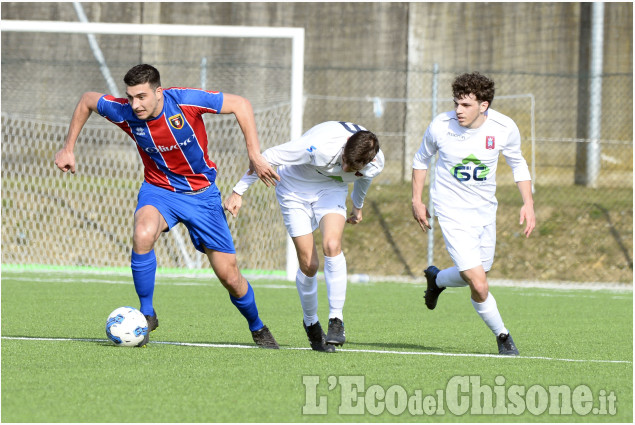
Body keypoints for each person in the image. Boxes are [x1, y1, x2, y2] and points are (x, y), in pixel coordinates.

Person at [54, 64, 281, 348]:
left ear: (158, 92)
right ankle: (147, 314)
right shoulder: (125, 111)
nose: (135, 105)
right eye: (130, 97)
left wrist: (254, 154)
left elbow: (241, 104)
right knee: (142, 234)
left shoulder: (185, 101)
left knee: (230, 276)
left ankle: (257, 327)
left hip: (202, 196)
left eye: (141, 97)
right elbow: (88, 99)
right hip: (159, 190)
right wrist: (68, 148)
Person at [224, 121, 384, 352]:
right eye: (345, 162)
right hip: (294, 189)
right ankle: (311, 323)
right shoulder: (316, 146)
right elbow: (267, 157)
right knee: (310, 265)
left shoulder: (374, 163)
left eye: (354, 167)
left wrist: (357, 207)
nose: (347, 169)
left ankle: (336, 321)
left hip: (330, 189)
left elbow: (364, 180)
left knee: (332, 244)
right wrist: (238, 191)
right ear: (345, 145)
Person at [411, 72, 535, 356]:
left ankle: (438, 279)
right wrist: (416, 200)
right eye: (456, 103)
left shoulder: (504, 127)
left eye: (466, 105)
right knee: (479, 283)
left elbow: (518, 164)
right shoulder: (441, 126)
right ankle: (503, 337)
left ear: (484, 105)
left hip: (484, 212)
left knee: (481, 272)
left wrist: (528, 203)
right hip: (451, 211)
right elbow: (421, 160)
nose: (458, 110)